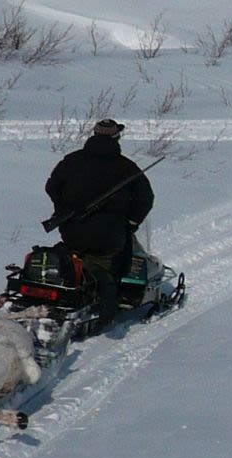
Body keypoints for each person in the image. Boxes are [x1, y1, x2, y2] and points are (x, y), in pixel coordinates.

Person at [45, 118, 154, 321]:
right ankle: (105, 306)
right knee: (109, 265)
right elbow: (145, 198)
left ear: (93, 135)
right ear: (117, 138)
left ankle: (73, 284)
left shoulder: (71, 160)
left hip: (71, 230)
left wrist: (65, 210)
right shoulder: (126, 167)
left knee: (75, 255)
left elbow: (52, 187)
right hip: (110, 236)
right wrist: (131, 223)